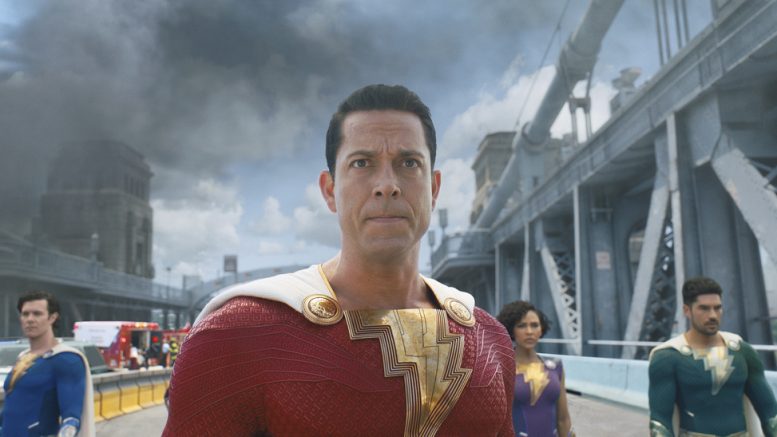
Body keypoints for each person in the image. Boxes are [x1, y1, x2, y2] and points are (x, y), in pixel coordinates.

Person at [163, 84, 515, 436]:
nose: (387, 185)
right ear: (330, 190)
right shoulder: (237, 335)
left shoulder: (490, 340)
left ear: (434, 189)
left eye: (409, 163)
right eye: (362, 163)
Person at [648, 276, 777, 436]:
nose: (713, 315)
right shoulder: (669, 357)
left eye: (717, 308)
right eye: (704, 308)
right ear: (687, 310)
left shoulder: (742, 351)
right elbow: (660, 422)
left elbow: (769, 412)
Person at [1, 291, 95, 437]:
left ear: (52, 317)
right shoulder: (24, 357)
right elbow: (12, 409)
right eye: (25, 314)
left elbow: (71, 419)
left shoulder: (66, 360)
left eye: (37, 314)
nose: (30, 319)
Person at [497, 300, 574, 437]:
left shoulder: (555, 367)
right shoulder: (501, 369)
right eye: (521, 326)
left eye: (534, 325)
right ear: (511, 330)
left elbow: (563, 420)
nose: (529, 332)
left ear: (541, 329)